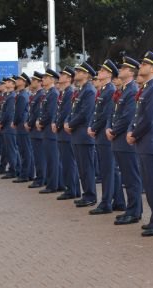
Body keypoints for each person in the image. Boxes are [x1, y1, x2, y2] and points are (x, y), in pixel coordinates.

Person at [127, 51, 153, 236]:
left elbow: (148, 119)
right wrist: (132, 131)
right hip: (145, 143)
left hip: (151, 143)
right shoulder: (146, 88)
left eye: (143, 64)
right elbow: (138, 115)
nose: (140, 66)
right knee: (149, 186)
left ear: (152, 69)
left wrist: (134, 134)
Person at [110, 56, 143, 225]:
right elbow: (116, 114)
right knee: (127, 177)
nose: (120, 70)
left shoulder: (132, 90)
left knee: (131, 177)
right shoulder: (123, 90)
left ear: (131, 72)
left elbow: (127, 116)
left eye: (123, 68)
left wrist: (113, 130)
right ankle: (130, 209)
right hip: (118, 139)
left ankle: (134, 211)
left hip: (124, 140)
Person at [88, 60, 121, 213]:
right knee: (109, 169)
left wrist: (93, 127)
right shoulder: (103, 90)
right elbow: (97, 113)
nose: (99, 72)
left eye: (102, 70)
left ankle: (106, 202)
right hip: (100, 134)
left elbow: (105, 114)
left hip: (104, 135)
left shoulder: (110, 90)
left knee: (108, 170)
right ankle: (119, 200)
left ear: (108, 74)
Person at [65, 62, 98, 207]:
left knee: (87, 167)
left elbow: (85, 113)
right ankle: (86, 194)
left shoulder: (89, 90)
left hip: (83, 134)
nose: (76, 73)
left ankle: (90, 195)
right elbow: (73, 111)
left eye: (79, 71)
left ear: (86, 74)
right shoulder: (80, 90)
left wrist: (70, 124)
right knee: (81, 167)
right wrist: (67, 121)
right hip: (77, 134)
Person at [53, 67, 80, 200]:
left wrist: (58, 124)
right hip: (61, 131)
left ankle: (72, 189)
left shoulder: (70, 92)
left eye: (63, 75)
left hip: (65, 131)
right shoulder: (64, 92)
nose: (60, 76)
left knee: (69, 162)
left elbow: (66, 112)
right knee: (66, 161)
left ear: (69, 78)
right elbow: (59, 111)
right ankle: (71, 188)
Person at [37, 69, 62, 193]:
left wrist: (41, 122)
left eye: (45, 78)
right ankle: (57, 183)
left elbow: (51, 113)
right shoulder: (48, 93)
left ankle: (53, 185)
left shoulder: (53, 93)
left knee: (52, 159)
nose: (43, 79)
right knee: (50, 158)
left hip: (50, 131)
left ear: (52, 79)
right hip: (46, 130)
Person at [13, 73, 34, 183]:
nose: (17, 80)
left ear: (24, 82)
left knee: (25, 151)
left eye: (19, 79)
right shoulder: (22, 94)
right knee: (25, 151)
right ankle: (28, 173)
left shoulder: (22, 95)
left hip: (21, 125)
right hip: (21, 125)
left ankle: (25, 174)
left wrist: (14, 122)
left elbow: (19, 112)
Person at [27, 72, 46, 188]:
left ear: (39, 82)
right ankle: (40, 177)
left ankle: (41, 178)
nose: (32, 82)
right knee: (37, 156)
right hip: (34, 129)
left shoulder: (41, 95)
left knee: (40, 156)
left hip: (37, 129)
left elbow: (37, 113)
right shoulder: (37, 95)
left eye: (34, 80)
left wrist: (29, 123)